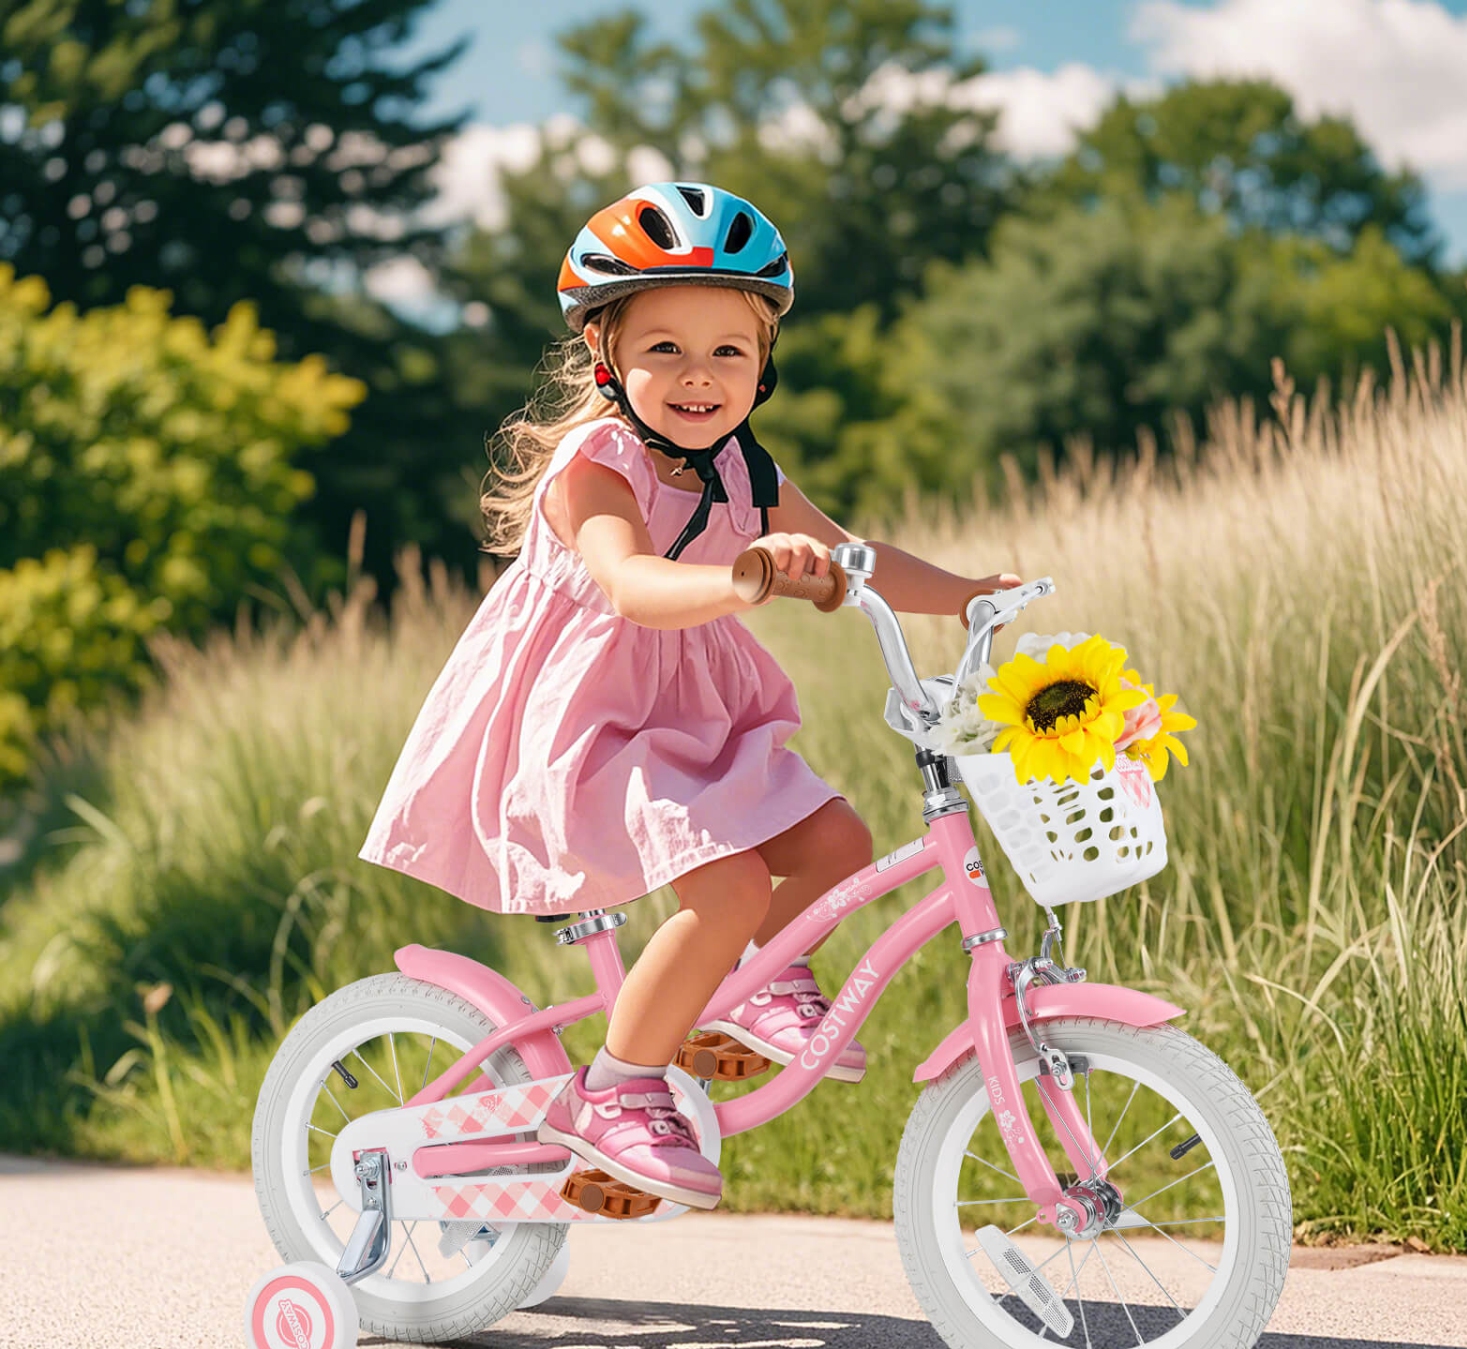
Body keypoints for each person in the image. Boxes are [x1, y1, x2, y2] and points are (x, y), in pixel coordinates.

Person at [361, 182, 1019, 1211]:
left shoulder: (747, 468)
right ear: (607, 361)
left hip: (689, 716)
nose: (698, 376)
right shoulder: (595, 469)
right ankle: (613, 1090)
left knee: (836, 843)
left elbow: (860, 558)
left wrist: (968, 593)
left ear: (764, 368)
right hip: (589, 724)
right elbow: (631, 584)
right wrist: (744, 577)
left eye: (728, 352)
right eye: (664, 348)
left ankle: (734, 1001)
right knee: (728, 887)